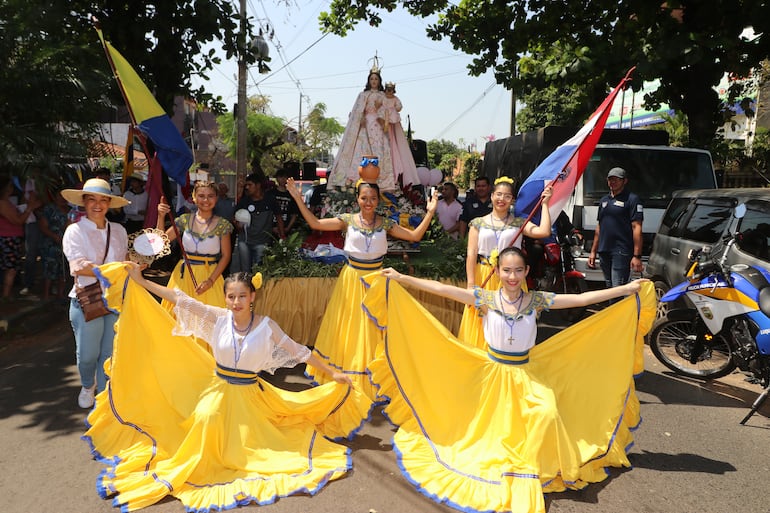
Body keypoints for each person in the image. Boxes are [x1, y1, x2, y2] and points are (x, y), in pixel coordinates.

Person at [365, 247, 654, 513]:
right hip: (492, 375)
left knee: (547, 411)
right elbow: (443, 290)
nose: (512, 276)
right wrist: (402, 277)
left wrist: (626, 288)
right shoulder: (486, 298)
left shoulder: (536, 300)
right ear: (498, 271)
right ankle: (510, 463)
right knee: (492, 432)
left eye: (518, 270)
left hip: (526, 374)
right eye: (506, 270)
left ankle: (539, 465)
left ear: (527, 271)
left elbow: (580, 299)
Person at [82, 264, 372, 512]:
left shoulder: (267, 326)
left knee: (259, 449)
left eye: (241, 296)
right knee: (206, 420)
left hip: (250, 397)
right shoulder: (218, 318)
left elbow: (300, 352)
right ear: (226, 298)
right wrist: (142, 282)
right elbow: (179, 299)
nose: (236, 302)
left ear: (252, 297)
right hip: (218, 391)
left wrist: (333, 372)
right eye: (231, 296)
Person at [286, 176, 438, 400]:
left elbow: (415, 236)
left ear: (379, 201)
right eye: (364, 198)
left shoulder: (386, 223)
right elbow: (316, 224)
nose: (369, 202)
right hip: (352, 281)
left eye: (373, 198)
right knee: (350, 328)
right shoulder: (347, 220)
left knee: (373, 330)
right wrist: (298, 199)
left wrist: (431, 211)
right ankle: (347, 375)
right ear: (357, 199)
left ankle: (374, 377)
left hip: (377, 281)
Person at [458, 177, 553, 349]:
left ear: (512, 200)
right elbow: (471, 254)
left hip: (512, 278)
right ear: (492, 195)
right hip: (484, 276)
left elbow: (544, 231)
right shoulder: (478, 223)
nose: (502, 199)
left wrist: (545, 204)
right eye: (499, 194)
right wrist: (471, 284)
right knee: (482, 317)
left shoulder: (518, 223)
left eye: (507, 196)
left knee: (511, 320)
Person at [61, 178, 129, 408]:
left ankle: (103, 399)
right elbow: (78, 266)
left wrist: (135, 265)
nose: (97, 205)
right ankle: (87, 383)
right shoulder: (75, 231)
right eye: (92, 200)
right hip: (87, 301)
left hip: (114, 300)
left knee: (109, 354)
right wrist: (114, 270)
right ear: (84, 202)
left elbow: (126, 262)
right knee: (87, 354)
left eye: (103, 200)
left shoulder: (119, 230)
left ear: (109, 203)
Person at [157, 180, 233, 312]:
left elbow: (226, 256)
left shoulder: (223, 225)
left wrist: (210, 281)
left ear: (216, 198)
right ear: (194, 197)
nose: (206, 200)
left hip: (210, 277)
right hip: (183, 277)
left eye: (210, 196)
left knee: (210, 319)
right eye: (201, 196)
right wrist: (161, 217)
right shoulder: (184, 220)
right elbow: (161, 242)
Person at [327, 67, 399, 191]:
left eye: (376, 79)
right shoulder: (363, 95)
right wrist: (360, 119)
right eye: (372, 79)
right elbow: (357, 111)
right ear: (369, 81)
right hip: (365, 126)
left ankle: (382, 181)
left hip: (379, 126)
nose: (374, 81)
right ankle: (356, 180)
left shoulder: (384, 95)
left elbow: (390, 109)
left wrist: (381, 110)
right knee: (362, 151)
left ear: (379, 80)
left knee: (380, 151)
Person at [588, 167, 644, 297]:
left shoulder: (632, 199)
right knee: (609, 289)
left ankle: (620, 316)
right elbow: (599, 227)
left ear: (625, 181)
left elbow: (637, 228)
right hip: (604, 250)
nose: (613, 182)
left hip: (621, 251)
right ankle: (614, 314)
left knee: (618, 288)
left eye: (617, 179)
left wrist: (637, 256)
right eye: (610, 179)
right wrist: (593, 251)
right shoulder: (604, 200)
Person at [0, 175, 41, 299]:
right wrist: (29, 209)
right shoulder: (3, 203)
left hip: (11, 237)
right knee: (11, 268)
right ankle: (6, 295)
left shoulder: (6, 202)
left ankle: (7, 294)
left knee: (11, 268)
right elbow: (17, 221)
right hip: (8, 238)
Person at [233, 173, 284, 272]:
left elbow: (279, 217)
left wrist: (282, 236)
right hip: (245, 242)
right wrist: (237, 225)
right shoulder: (244, 201)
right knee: (245, 272)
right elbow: (235, 218)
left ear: (258, 185)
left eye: (250, 185)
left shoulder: (270, 200)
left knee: (260, 272)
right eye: (246, 185)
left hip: (262, 242)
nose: (247, 187)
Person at [382, 82, 420, 187]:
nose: (389, 92)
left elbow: (399, 107)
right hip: (382, 120)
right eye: (387, 89)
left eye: (391, 90)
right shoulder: (382, 98)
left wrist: (393, 109)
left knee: (393, 140)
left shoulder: (395, 99)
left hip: (392, 123)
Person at [38, 188, 70, 301]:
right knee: (49, 270)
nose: (62, 199)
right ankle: (46, 295)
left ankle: (60, 295)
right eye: (59, 196)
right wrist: (54, 236)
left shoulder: (70, 210)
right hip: (50, 244)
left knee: (63, 270)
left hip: (65, 246)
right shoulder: (49, 209)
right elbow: (42, 226)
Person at [267, 167, 299, 235]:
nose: (283, 179)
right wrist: (271, 227)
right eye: (280, 177)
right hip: (270, 229)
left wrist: (287, 228)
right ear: (277, 178)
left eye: (285, 177)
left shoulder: (291, 195)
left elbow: (294, 214)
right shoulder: (270, 194)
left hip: (286, 227)